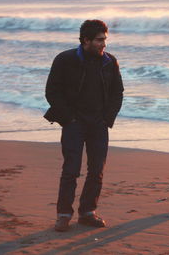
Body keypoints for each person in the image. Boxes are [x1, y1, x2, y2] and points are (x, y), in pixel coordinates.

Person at [44, 19, 124, 231]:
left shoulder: (110, 61)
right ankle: (63, 215)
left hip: (99, 124)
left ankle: (88, 212)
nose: (104, 44)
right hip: (73, 123)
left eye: (105, 39)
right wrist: (69, 118)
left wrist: (108, 118)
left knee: (97, 170)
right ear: (86, 40)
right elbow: (52, 92)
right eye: (99, 40)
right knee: (71, 170)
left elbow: (118, 92)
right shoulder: (65, 60)